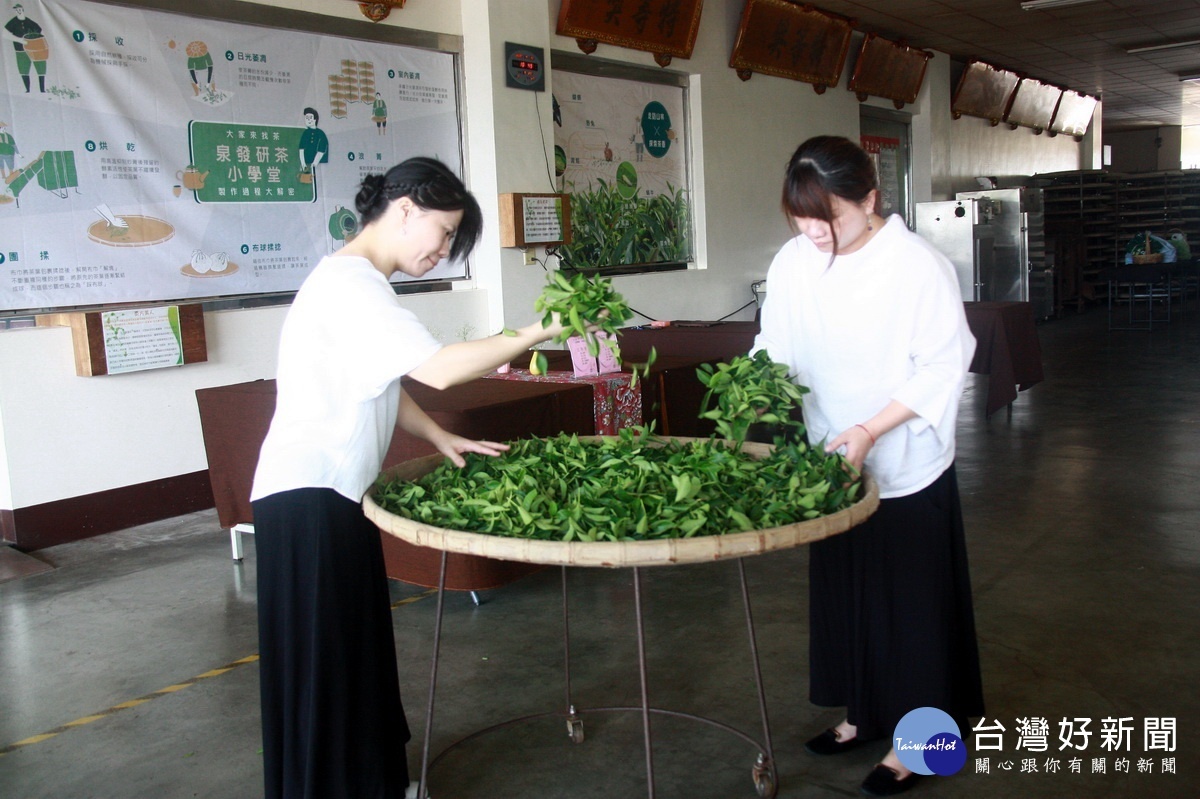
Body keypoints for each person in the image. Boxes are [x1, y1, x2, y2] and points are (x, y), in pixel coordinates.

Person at [249, 156, 570, 799]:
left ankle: (372, 784)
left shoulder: (352, 280)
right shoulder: (354, 285)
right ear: (404, 209)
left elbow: (384, 382)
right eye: (444, 233)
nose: (444, 250)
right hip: (310, 499)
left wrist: (438, 435)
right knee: (329, 665)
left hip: (327, 497)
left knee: (352, 655)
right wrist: (544, 328)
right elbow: (442, 369)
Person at [751, 136, 984, 797]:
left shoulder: (914, 264)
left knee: (912, 606)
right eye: (801, 216)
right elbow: (777, 343)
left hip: (905, 459)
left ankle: (923, 743)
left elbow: (945, 361)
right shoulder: (796, 260)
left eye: (830, 217)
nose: (814, 231)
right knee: (848, 594)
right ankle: (864, 714)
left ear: (871, 200)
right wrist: (757, 387)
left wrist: (870, 428)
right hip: (833, 459)